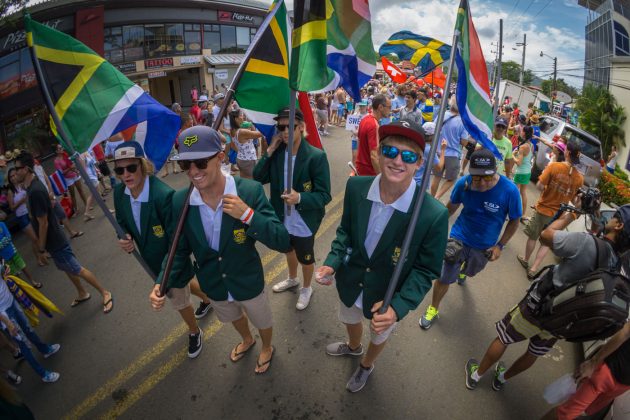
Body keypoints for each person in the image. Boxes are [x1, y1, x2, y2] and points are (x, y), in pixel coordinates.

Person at [316, 118, 449, 392]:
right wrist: (332, 263)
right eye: (390, 151)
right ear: (379, 153)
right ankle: (353, 347)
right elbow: (345, 233)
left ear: (419, 163)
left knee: (379, 334)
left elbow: (426, 271)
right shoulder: (356, 188)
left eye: (408, 155)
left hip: (387, 295)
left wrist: (399, 308)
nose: (397, 161)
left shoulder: (433, 214)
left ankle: (366, 364)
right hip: (351, 280)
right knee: (350, 318)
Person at [151, 126, 291, 374]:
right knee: (234, 317)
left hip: (247, 280)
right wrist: (162, 282)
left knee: (262, 320)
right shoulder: (180, 201)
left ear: (221, 156)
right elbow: (179, 249)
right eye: (186, 165)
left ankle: (266, 346)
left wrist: (247, 214)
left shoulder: (249, 191)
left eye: (200, 162)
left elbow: (281, 240)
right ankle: (247, 340)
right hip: (214, 284)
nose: (193, 172)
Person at [466, 204, 630, 392]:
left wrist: (568, 217)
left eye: (615, 216)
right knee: (533, 353)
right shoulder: (616, 265)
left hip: (539, 306)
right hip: (562, 321)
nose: (610, 218)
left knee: (505, 338)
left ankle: (476, 375)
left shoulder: (586, 242)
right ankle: (502, 378)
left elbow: (545, 236)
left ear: (619, 226)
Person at [113, 141, 211, 358]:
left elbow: (177, 241)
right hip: (150, 258)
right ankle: (208, 298)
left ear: (143, 165)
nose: (126, 174)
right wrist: (124, 238)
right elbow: (121, 223)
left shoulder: (162, 195)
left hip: (171, 260)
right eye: (120, 170)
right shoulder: (120, 193)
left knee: (178, 297)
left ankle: (194, 331)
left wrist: (163, 278)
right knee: (184, 284)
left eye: (131, 168)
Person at [419, 149, 522, 329]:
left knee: (470, 269)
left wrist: (500, 246)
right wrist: (435, 229)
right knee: (445, 275)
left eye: (487, 178)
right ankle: (433, 308)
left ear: (495, 171)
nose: (482, 183)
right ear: (470, 173)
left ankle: (463, 271)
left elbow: (514, 221)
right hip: (460, 236)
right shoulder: (463, 183)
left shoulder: (510, 191)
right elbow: (451, 207)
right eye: (477, 178)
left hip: (484, 245)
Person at [14, 152, 114, 313]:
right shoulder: (32, 186)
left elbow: (43, 222)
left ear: (25, 169)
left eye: (17, 169)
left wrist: (40, 248)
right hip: (53, 240)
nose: (15, 173)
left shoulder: (35, 191)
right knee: (67, 268)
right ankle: (82, 292)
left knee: (76, 268)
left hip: (55, 240)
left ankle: (105, 292)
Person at [254, 107, 331, 310]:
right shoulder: (278, 154)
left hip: (304, 220)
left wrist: (300, 198)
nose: (285, 131)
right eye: (281, 127)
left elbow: (325, 195)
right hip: (281, 216)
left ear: (302, 127)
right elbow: (258, 178)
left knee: (306, 258)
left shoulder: (316, 156)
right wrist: (269, 151)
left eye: (291, 127)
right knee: (288, 250)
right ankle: (292, 278)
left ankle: (307, 287)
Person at [518, 140, 584, 278]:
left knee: (533, 236)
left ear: (567, 152)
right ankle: (534, 269)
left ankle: (525, 260)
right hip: (559, 215)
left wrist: (550, 187)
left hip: (544, 209)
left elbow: (539, 186)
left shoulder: (554, 166)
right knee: (547, 242)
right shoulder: (579, 178)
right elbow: (572, 199)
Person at [542, 321, 630, 419]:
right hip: (608, 371)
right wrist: (593, 362)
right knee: (565, 414)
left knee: (586, 411)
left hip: (622, 386)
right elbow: (625, 332)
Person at [430, 96, 470, 199]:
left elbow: (433, 129)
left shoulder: (442, 115)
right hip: (453, 154)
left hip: (439, 152)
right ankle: (437, 197)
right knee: (452, 179)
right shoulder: (462, 121)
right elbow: (464, 142)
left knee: (437, 177)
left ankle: (432, 197)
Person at [6, 169, 41, 264]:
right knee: (34, 238)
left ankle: (40, 256)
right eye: (11, 177)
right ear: (9, 179)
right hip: (22, 217)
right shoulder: (10, 191)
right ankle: (40, 256)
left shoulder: (23, 185)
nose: (13, 178)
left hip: (30, 212)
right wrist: (21, 201)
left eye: (14, 175)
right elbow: (12, 208)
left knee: (36, 236)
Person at [355, 94, 391, 176]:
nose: (390, 110)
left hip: (361, 167)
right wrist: (381, 177)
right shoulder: (374, 125)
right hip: (369, 171)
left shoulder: (365, 119)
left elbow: (359, 142)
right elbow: (374, 156)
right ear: (381, 107)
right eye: (389, 107)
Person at [0, 219, 41, 289]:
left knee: (23, 266)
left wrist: (1, 244)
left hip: (12, 251)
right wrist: (4, 241)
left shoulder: (1, 224)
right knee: (14, 273)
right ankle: (24, 288)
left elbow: (9, 237)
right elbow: (7, 238)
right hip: (4, 257)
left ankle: (32, 281)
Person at [54, 144, 87, 214]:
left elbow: (72, 164)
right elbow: (61, 173)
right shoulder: (56, 161)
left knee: (81, 190)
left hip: (74, 174)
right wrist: (70, 168)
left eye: (61, 147)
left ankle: (87, 205)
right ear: (56, 151)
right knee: (72, 194)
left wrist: (76, 170)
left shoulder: (66, 155)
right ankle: (76, 210)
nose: (62, 149)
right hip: (67, 178)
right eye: (60, 148)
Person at [413, 121, 446, 188]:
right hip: (420, 184)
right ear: (433, 136)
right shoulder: (429, 150)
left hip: (412, 181)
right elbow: (439, 167)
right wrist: (443, 150)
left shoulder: (417, 144)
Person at [230, 110, 261, 179]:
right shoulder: (242, 132)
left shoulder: (232, 130)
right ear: (236, 119)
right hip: (248, 160)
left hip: (240, 158)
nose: (243, 117)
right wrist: (252, 124)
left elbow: (232, 145)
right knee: (250, 180)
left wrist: (240, 151)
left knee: (244, 179)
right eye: (241, 115)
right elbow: (259, 134)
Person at [513, 126, 534, 223]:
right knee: (523, 193)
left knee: (515, 192)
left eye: (522, 131)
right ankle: (523, 214)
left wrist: (512, 154)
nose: (520, 132)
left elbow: (518, 163)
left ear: (524, 133)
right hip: (527, 172)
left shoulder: (523, 146)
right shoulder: (530, 145)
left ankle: (513, 213)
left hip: (521, 172)